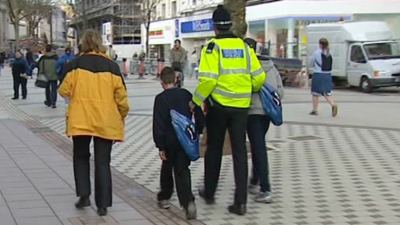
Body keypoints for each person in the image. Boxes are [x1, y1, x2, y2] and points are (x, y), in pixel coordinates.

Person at [190, 5, 266, 216]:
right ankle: (240, 202)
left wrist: (195, 101)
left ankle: (209, 192)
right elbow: (259, 77)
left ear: (215, 27)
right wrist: (249, 89)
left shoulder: (212, 48)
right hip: (241, 108)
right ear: (231, 25)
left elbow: (208, 80)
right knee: (240, 152)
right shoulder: (244, 46)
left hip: (219, 107)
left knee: (214, 149)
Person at [59, 29, 130, 216]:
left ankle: (84, 195)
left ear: (83, 44)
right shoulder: (113, 67)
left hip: (80, 118)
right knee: (102, 162)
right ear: (100, 44)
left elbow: (63, 90)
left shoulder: (74, 65)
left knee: (81, 156)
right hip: (106, 120)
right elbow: (122, 99)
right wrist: (121, 116)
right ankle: (103, 205)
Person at [153, 67, 205, 220]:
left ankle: (164, 197)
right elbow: (198, 112)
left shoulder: (161, 99)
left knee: (167, 167)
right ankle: (188, 201)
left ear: (162, 82)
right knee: (182, 170)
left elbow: (159, 124)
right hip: (185, 139)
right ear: (175, 79)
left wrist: (160, 145)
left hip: (169, 140)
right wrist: (199, 129)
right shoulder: (186, 94)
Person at [244, 38, 284, 204]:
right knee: (257, 145)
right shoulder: (270, 66)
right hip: (267, 114)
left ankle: (265, 188)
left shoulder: (247, 67)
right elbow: (280, 91)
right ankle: (254, 180)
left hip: (252, 112)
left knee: (259, 148)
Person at [309, 38, 338, 116]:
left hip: (318, 74)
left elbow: (311, 63)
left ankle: (315, 110)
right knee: (326, 92)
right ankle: (333, 104)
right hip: (328, 74)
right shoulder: (330, 53)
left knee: (315, 93)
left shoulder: (316, 53)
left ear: (320, 44)